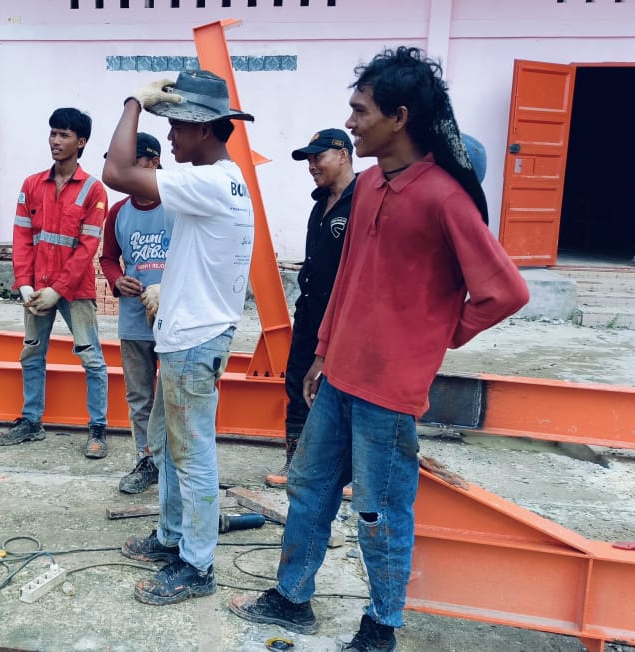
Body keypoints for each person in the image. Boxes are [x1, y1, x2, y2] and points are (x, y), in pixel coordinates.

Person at [228, 47, 530, 650]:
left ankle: (382, 625)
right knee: (308, 488)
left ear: (398, 116)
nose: (353, 121)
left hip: (389, 395)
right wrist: (321, 351)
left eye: (360, 111)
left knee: (379, 515)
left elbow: (505, 291)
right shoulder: (366, 187)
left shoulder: (444, 196)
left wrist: (438, 334)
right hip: (338, 376)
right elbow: (347, 278)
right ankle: (292, 598)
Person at [102, 70, 255, 605]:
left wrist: (133, 103)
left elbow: (116, 171)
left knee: (192, 456)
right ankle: (172, 538)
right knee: (170, 449)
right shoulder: (224, 180)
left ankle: (197, 565)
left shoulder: (210, 181)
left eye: (177, 128)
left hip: (194, 340)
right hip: (190, 335)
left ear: (205, 129)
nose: (168, 139)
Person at [0, 108, 111, 459]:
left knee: (91, 357)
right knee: (31, 352)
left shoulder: (93, 190)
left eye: (63, 135)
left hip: (74, 290)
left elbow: (87, 247)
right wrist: (25, 285)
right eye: (53, 133)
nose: (55, 141)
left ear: (81, 142)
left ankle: (98, 429)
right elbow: (22, 237)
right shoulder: (32, 185)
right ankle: (31, 422)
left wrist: (57, 290)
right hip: (36, 287)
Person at [265, 128, 357, 488]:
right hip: (310, 313)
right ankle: (296, 463)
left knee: (343, 389)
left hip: (348, 315)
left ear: (344, 155)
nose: (311, 166)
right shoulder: (320, 204)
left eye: (318, 157)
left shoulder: (363, 199)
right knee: (297, 382)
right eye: (308, 159)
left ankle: (347, 472)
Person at [98, 132, 175, 494]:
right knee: (140, 397)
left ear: (154, 162)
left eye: (135, 162)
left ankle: (173, 464)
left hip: (176, 321)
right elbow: (108, 258)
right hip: (133, 320)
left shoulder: (176, 205)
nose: (128, 171)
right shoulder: (118, 212)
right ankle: (147, 460)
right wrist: (117, 281)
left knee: (173, 395)